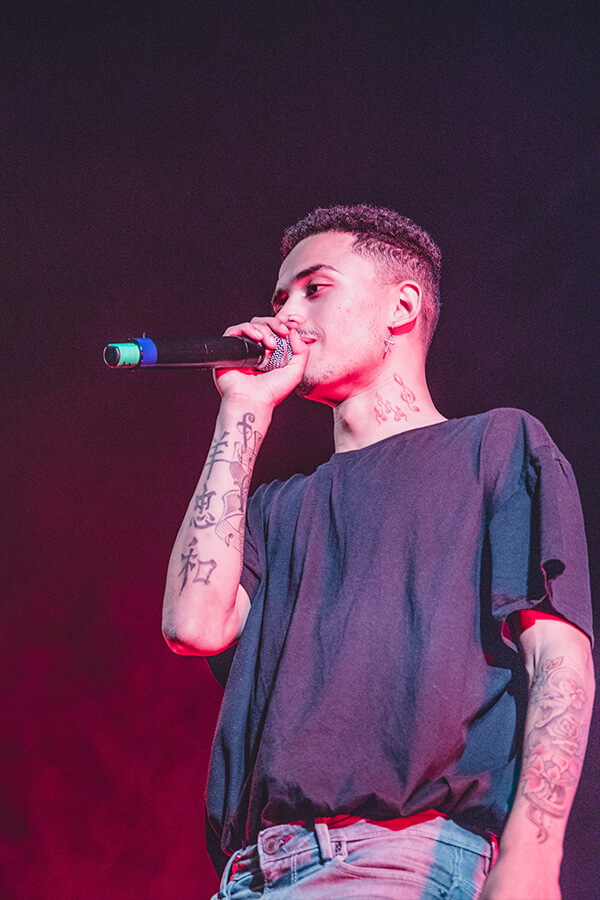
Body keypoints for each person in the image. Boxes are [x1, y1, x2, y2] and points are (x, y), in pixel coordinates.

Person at [162, 205, 594, 899]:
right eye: (280, 297)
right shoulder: (275, 508)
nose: (286, 314)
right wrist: (242, 409)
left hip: (396, 863)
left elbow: (560, 662)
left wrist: (532, 860)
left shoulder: (495, 447)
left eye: (315, 288)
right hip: (248, 875)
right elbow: (193, 625)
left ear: (402, 306)